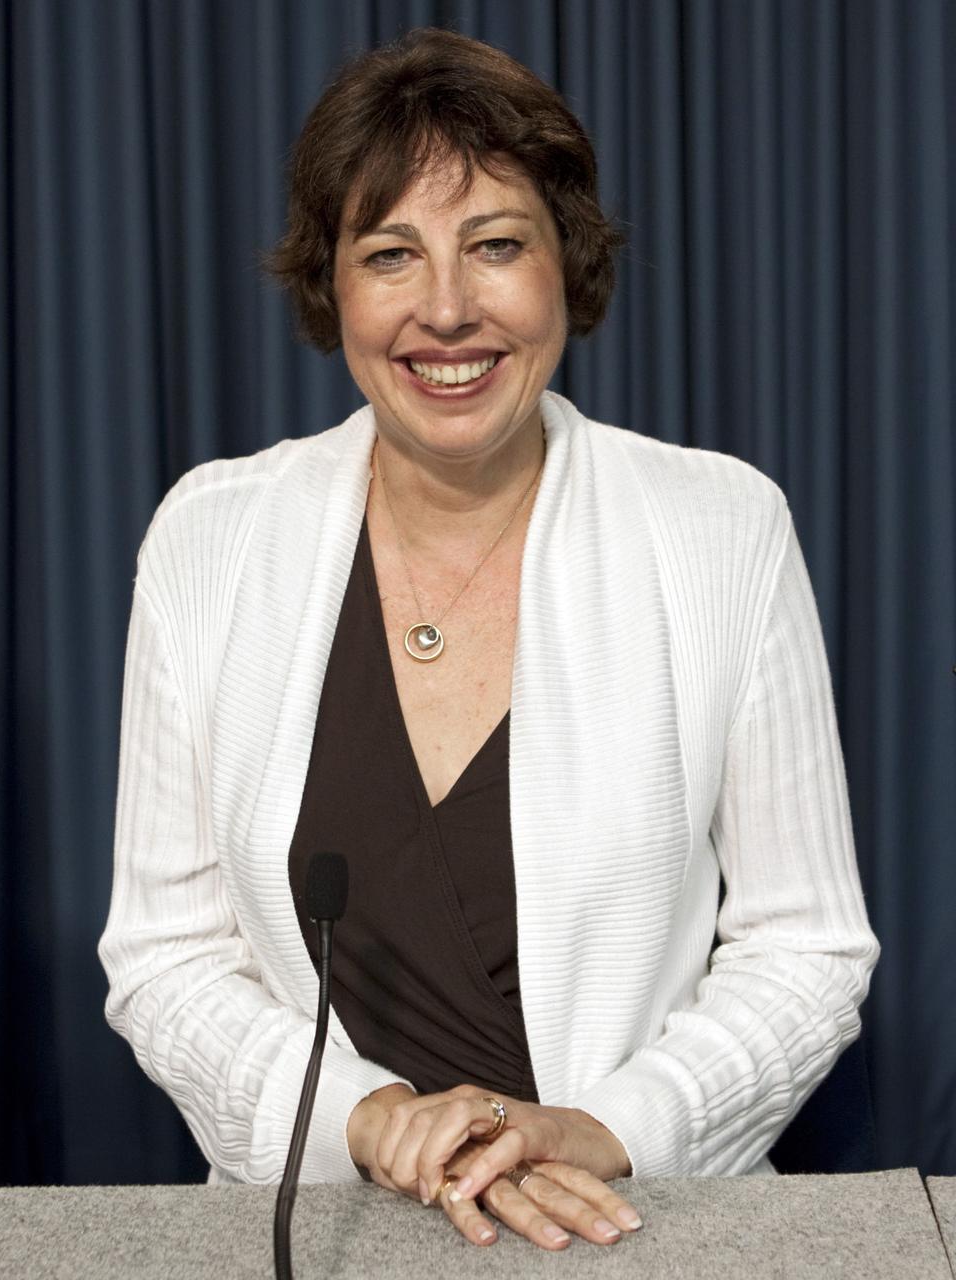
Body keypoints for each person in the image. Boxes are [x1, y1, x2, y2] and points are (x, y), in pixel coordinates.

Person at [98, 28, 880, 1253]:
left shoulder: (722, 526)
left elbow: (808, 947)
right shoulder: (211, 538)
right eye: (390, 253)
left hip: (629, 1221)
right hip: (330, 1232)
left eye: (497, 245)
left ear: (566, 262)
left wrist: (610, 1123)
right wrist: (369, 1118)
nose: (447, 309)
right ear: (332, 286)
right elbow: (163, 953)